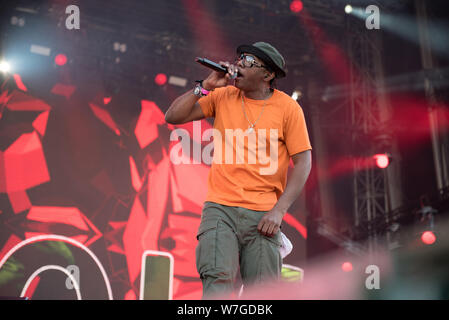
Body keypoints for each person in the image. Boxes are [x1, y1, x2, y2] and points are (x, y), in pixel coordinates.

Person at [165, 42, 312, 299]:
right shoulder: (223, 97)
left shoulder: (288, 109)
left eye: (249, 61)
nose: (240, 64)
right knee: (216, 279)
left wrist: (279, 211)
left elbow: (304, 162)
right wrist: (206, 87)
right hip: (220, 208)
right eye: (241, 58)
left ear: (267, 75)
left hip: (264, 216)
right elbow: (173, 117)